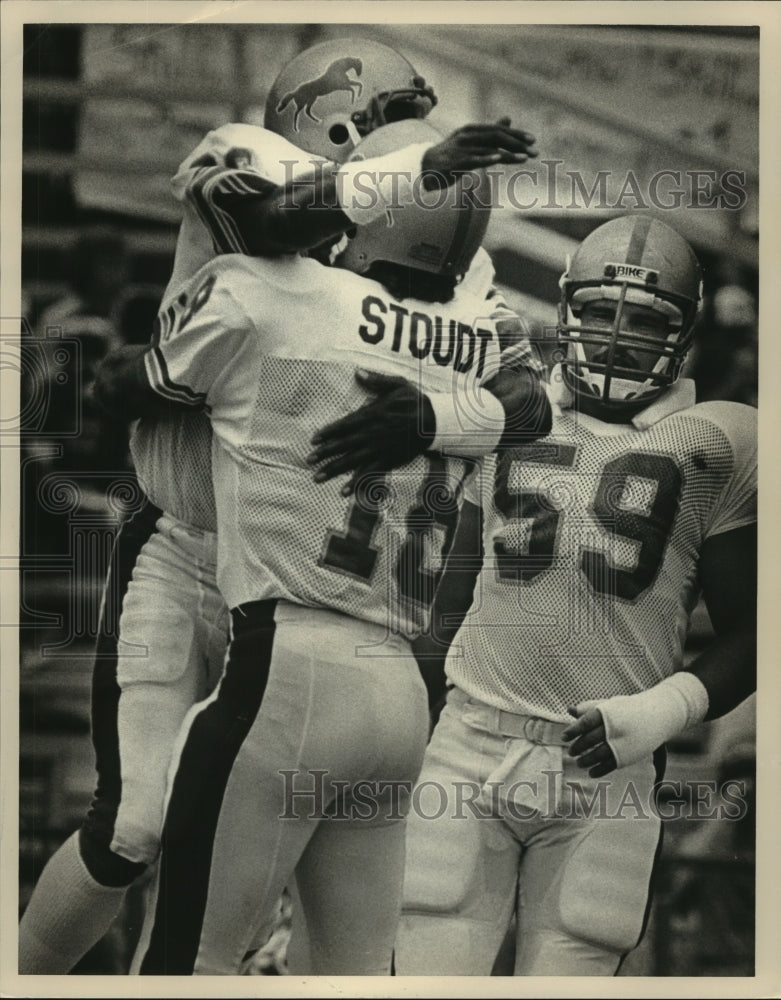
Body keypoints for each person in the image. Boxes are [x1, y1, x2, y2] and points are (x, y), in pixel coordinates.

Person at [18, 36, 538, 975]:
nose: (412, 140)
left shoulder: (443, 255)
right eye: (392, 119)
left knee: (246, 840)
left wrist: (429, 417)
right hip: (189, 540)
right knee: (136, 823)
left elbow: (523, 402)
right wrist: (404, 182)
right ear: (327, 123)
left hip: (307, 580)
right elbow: (271, 217)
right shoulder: (264, 173)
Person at [381, 215, 757, 976]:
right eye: (597, 313)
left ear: (680, 335)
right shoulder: (508, 415)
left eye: (644, 321)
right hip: (468, 746)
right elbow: (443, 611)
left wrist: (660, 711)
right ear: (565, 310)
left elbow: (756, 633)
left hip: (604, 771)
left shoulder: (721, 442)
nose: (616, 338)